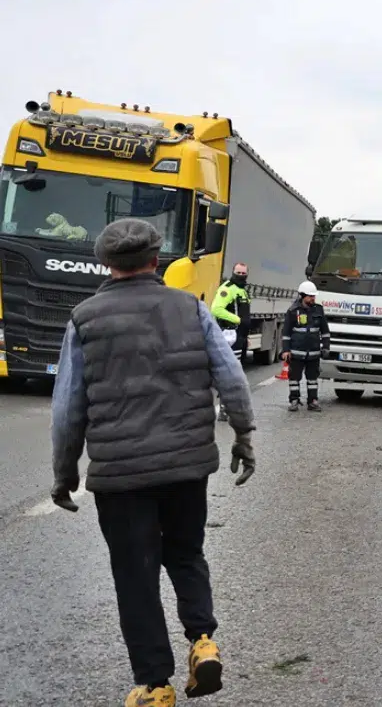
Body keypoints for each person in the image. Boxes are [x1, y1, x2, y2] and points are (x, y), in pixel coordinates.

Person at [49, 218, 257, 707]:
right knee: (185, 553)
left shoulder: (84, 318)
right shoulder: (191, 308)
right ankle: (202, 642)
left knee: (135, 575)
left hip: (121, 476)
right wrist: (244, 436)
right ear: (156, 260)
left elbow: (67, 408)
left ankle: (156, 686)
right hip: (187, 466)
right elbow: (231, 378)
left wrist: (64, 474)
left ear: (105, 264)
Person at [210, 262, 251, 422]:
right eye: (238, 272)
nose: (241, 275)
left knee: (235, 372)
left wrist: (245, 333)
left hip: (239, 336)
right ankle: (224, 409)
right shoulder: (228, 289)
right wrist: (237, 320)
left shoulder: (242, 290)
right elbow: (216, 309)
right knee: (230, 373)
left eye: (243, 273)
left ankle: (228, 407)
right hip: (229, 335)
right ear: (233, 272)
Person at [282, 280, 329, 412]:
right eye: (310, 296)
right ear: (302, 296)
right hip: (296, 352)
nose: (313, 298)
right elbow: (286, 332)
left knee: (312, 378)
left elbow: (325, 331)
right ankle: (294, 400)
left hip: (314, 352)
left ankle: (313, 401)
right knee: (294, 378)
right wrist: (286, 350)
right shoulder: (293, 311)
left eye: (314, 296)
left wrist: (326, 347)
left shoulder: (319, 310)